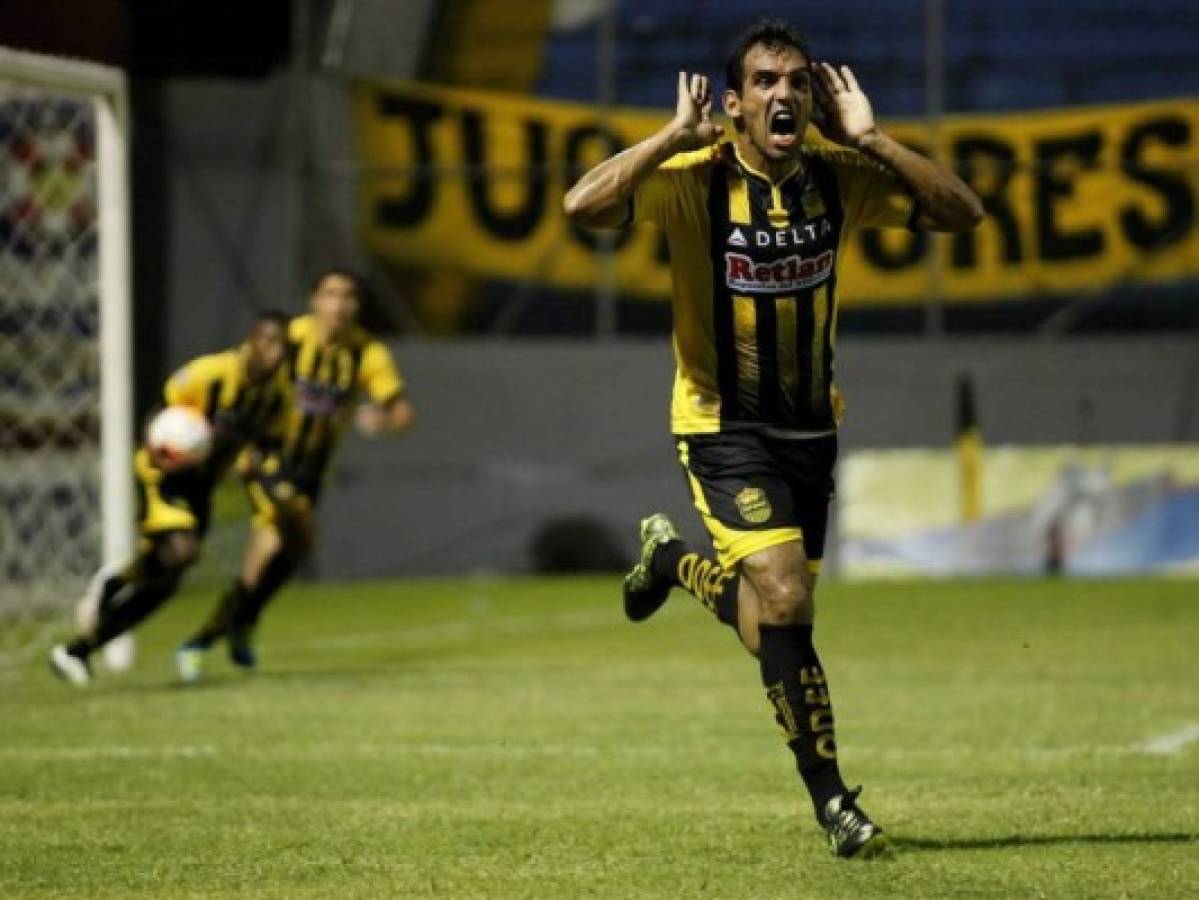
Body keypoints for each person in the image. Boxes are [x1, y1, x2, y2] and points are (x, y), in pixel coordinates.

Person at [563, 19, 982, 857]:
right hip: (721, 424)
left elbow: (961, 214)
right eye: (762, 82)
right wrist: (667, 137)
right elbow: (584, 206)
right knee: (788, 601)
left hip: (809, 428)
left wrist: (873, 138)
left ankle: (674, 562)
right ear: (733, 106)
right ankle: (835, 804)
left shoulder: (842, 178)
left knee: (769, 623)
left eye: (795, 80)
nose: (782, 93)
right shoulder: (694, 181)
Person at [176, 269, 414, 681]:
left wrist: (383, 421)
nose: (339, 305)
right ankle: (197, 644)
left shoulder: (366, 353)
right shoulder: (288, 339)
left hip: (312, 474)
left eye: (348, 296)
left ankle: (238, 624)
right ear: (313, 300)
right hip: (268, 459)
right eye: (330, 295)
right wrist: (230, 440)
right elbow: (245, 376)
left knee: (294, 551)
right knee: (271, 545)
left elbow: (402, 412)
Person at [49, 311, 292, 687]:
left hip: (202, 487)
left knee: (166, 583)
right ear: (251, 339)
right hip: (162, 476)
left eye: (282, 346)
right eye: (268, 341)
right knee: (183, 551)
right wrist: (156, 446)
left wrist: (256, 463)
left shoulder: (277, 396)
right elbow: (161, 414)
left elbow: (270, 443)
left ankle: (78, 648)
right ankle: (116, 578)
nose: (275, 353)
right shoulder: (209, 373)